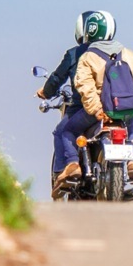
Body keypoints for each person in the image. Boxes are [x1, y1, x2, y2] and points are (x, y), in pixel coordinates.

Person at [53, 10, 133, 195]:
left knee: (67, 131)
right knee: (130, 132)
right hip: (125, 111)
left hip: (99, 112)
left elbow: (84, 87)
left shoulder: (88, 57)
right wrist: (126, 104)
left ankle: (73, 164)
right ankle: (132, 164)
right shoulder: (129, 54)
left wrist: (97, 110)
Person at [37, 16, 89, 194]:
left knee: (62, 131)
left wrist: (45, 92)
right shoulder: (117, 53)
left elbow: (57, 78)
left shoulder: (75, 53)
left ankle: (64, 172)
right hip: (115, 107)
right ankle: (131, 165)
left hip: (83, 107)